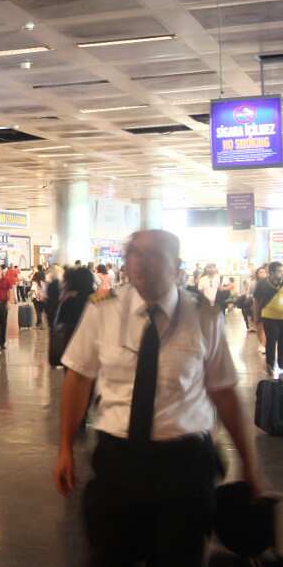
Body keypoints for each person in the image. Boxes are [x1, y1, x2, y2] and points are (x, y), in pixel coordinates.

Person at [54, 230, 264, 567]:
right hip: (117, 460)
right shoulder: (103, 311)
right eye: (134, 252)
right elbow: (79, 378)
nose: (140, 261)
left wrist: (249, 466)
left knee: (179, 557)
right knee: (109, 554)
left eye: (153, 254)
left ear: (177, 267)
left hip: (184, 464)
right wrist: (65, 446)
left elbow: (224, 393)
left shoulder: (204, 317)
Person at [259, 262, 283, 378]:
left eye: (282, 271)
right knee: (272, 340)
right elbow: (257, 301)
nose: (281, 273)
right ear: (272, 272)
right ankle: (270, 364)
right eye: (279, 271)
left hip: (282, 317)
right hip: (269, 317)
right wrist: (256, 316)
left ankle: (281, 365)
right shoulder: (263, 284)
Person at [255, 264, 280, 358]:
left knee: (270, 333)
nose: (263, 273)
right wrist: (256, 312)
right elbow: (256, 299)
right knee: (259, 327)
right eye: (261, 272)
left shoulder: (277, 282)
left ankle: (264, 345)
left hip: (274, 314)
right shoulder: (259, 283)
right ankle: (262, 344)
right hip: (261, 309)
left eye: (264, 271)